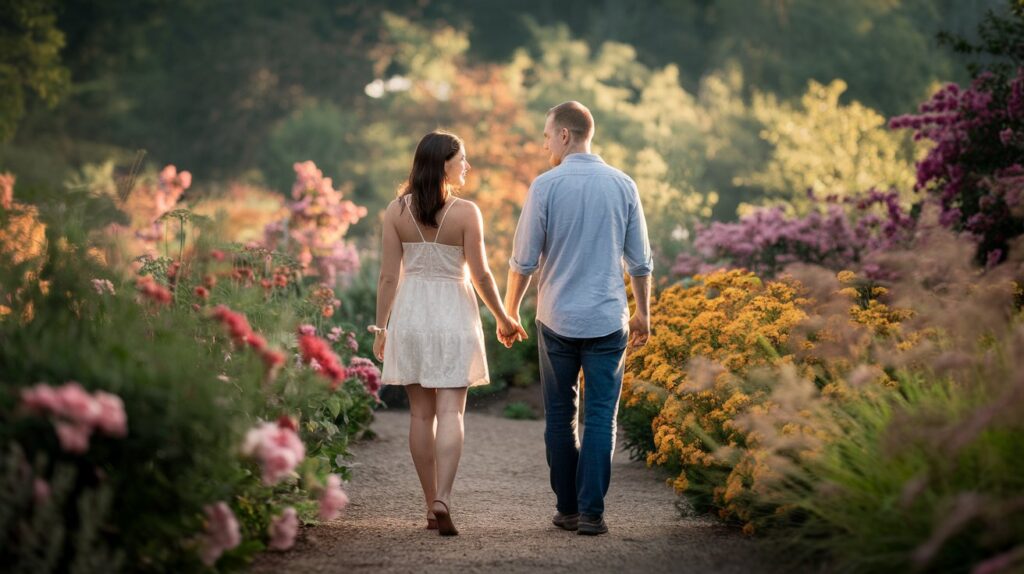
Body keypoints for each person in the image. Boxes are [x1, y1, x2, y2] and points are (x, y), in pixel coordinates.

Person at [503, 101, 653, 536]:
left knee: (559, 416)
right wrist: (643, 314)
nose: (545, 142)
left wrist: (511, 312)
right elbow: (640, 263)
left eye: (548, 134)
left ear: (565, 135)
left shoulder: (545, 187)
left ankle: (567, 509)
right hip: (608, 318)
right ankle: (592, 514)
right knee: (602, 417)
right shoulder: (624, 184)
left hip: (557, 320)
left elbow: (523, 262)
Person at [370, 130, 527, 536]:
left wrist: (380, 327)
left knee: (421, 414)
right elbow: (482, 274)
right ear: (443, 164)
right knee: (451, 412)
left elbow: (389, 277)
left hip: (411, 315)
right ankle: (443, 497)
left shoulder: (395, 211)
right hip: (453, 313)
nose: (467, 167)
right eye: (462, 160)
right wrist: (504, 318)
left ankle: (427, 506)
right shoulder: (466, 212)